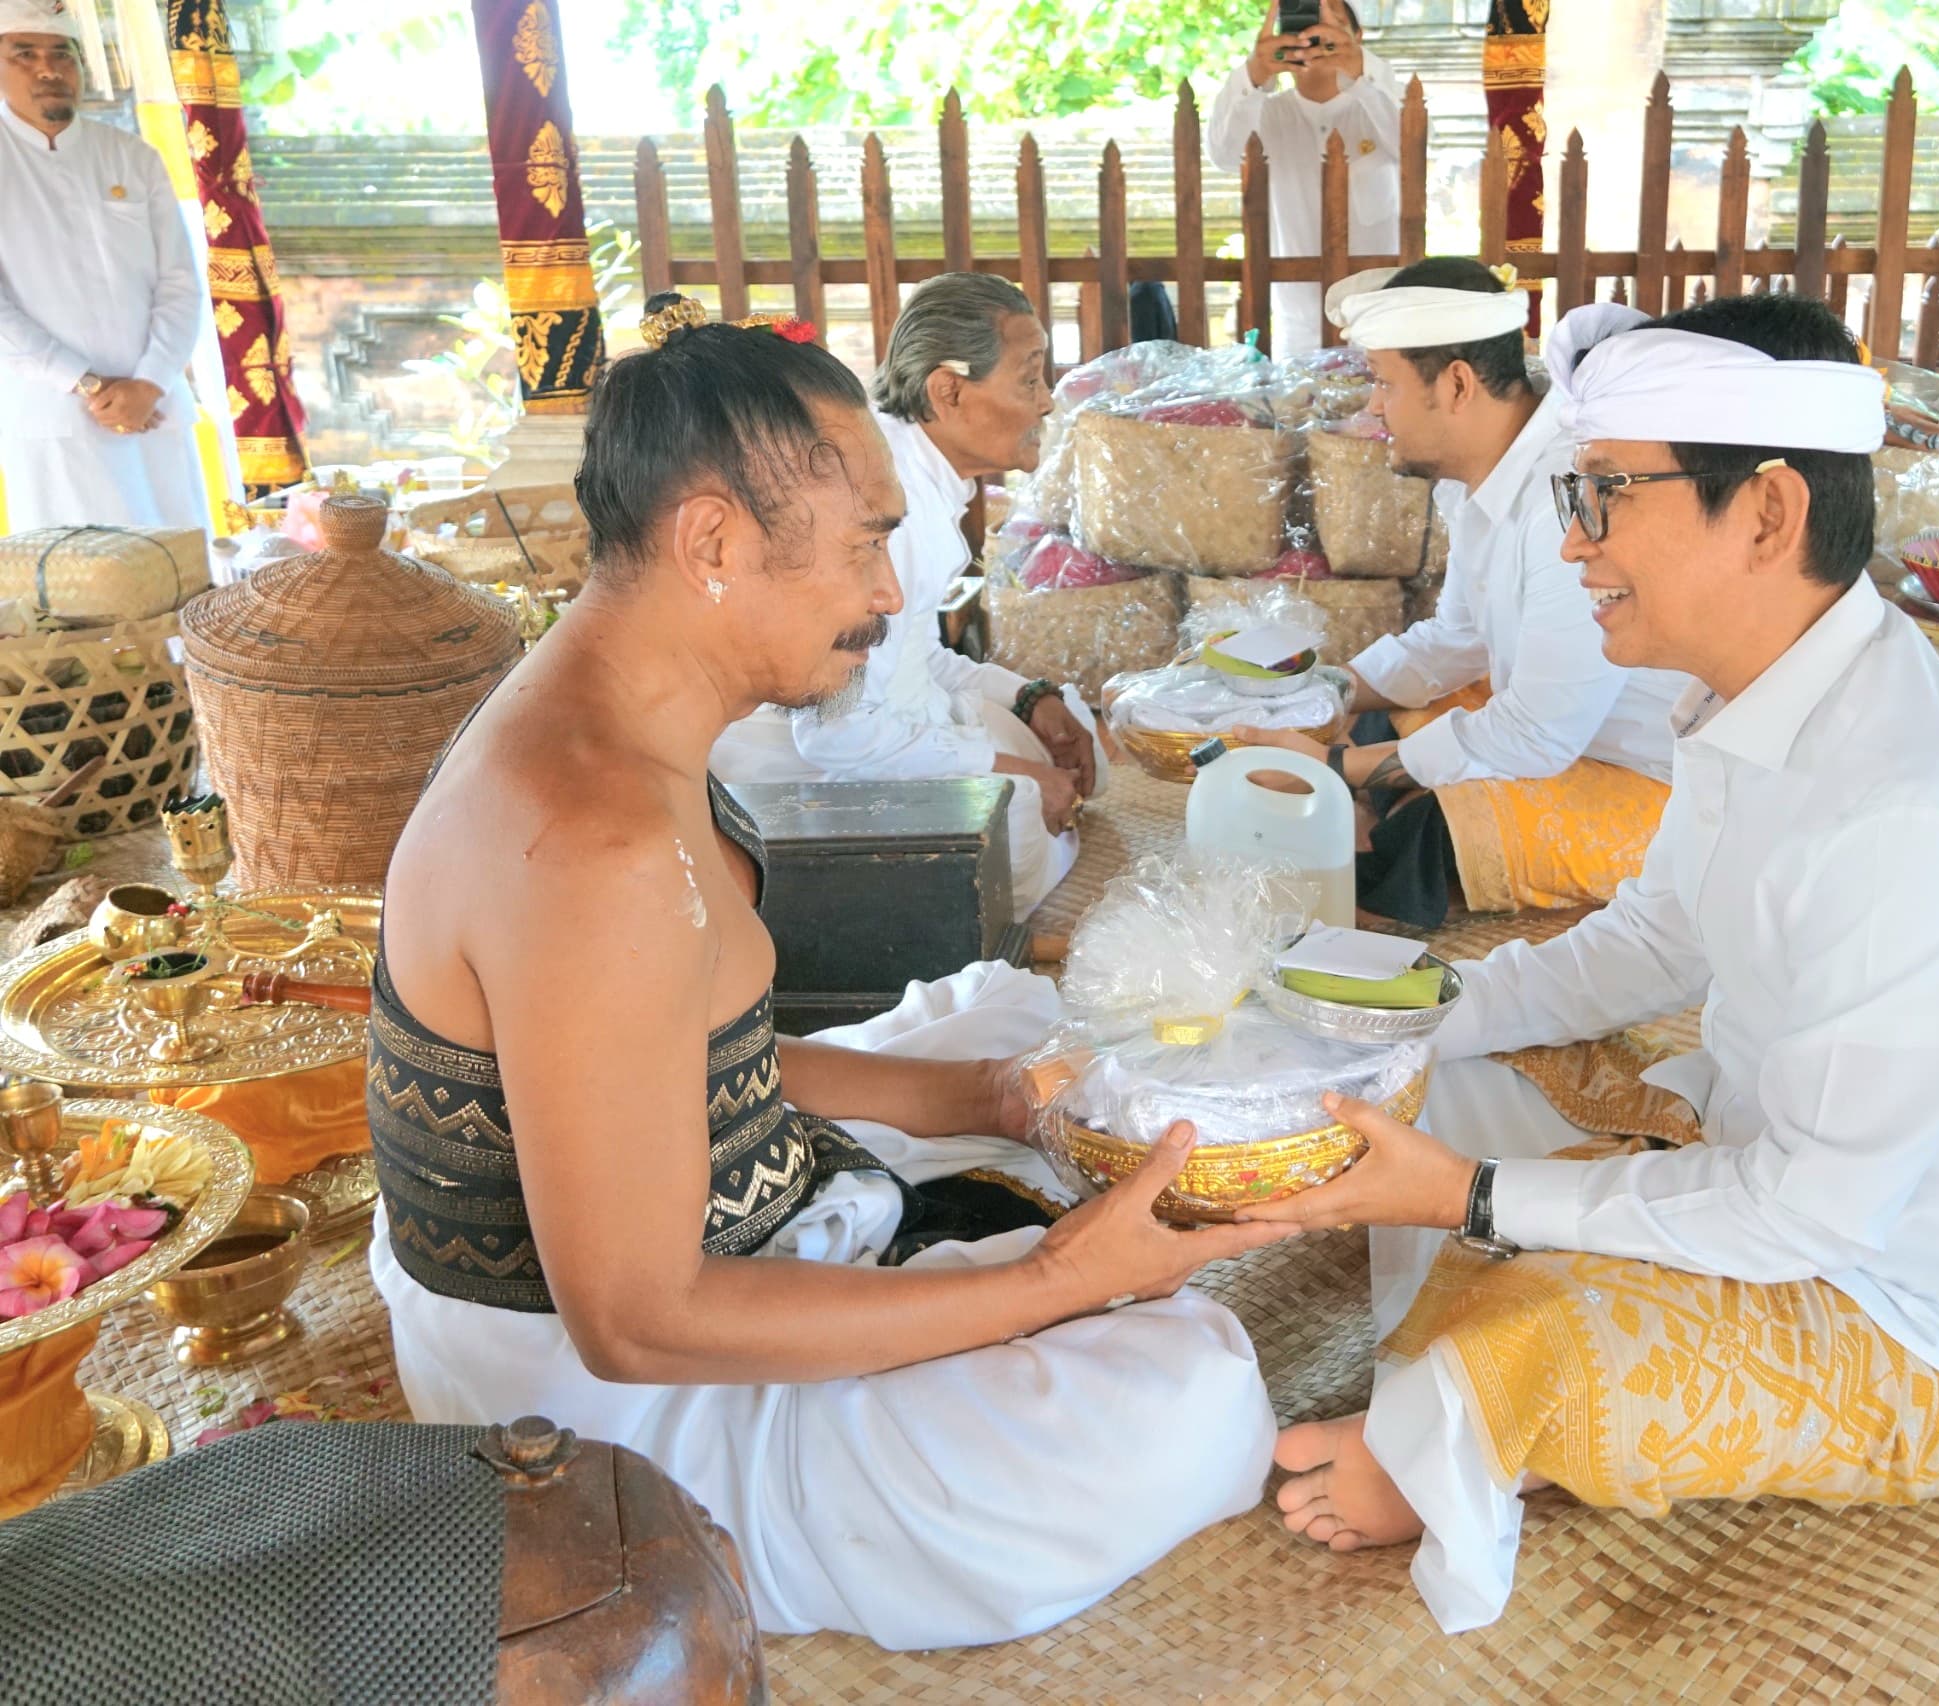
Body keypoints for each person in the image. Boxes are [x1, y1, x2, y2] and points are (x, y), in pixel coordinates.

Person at [369, 296, 1293, 1649]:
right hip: (603, 1412)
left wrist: (987, 1094)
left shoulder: (613, 722)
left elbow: (678, 1056)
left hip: (666, 1235)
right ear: (714, 542)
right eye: (865, 542)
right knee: (1196, 1387)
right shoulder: (590, 838)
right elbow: (635, 1319)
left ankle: (939, 1212)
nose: (883, 588)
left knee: (1021, 1015)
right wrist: (1057, 1283)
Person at [1227, 294, 1939, 1633]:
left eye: (1604, 496)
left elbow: (1804, 1220)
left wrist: (1474, 1197)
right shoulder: (1751, 694)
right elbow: (1652, 937)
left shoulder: (1915, 805)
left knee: (1524, 1317)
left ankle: (1435, 1445)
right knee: (1473, 1062)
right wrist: (1410, 1018)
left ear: (1767, 513)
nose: (1576, 544)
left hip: (1929, 1321)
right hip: (1795, 1167)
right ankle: (1461, 1294)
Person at [1233, 259, 1687, 928]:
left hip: (1651, 774)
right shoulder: (1471, 477)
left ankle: (1379, 852)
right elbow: (1457, 641)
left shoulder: (1567, 497)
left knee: (1433, 825)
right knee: (1399, 710)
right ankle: (1370, 805)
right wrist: (1317, 693)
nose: (1373, 409)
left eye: (1384, 384)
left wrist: (1336, 766)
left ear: (1456, 384)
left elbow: (1539, 734)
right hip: (1563, 731)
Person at [709, 273, 1105, 916]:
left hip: (880, 723)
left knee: (1067, 737)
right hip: (807, 762)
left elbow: (913, 653)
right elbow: (838, 735)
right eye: (1028, 378)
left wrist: (1028, 697)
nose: (1046, 403)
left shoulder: (923, 480)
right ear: (948, 391)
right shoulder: (895, 504)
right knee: (1031, 819)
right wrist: (1024, 773)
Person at [0, 1, 208, 533]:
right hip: (55, 416)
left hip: (154, 410)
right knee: (83, 594)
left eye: (61, 54)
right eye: (24, 54)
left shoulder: (132, 157)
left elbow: (180, 283)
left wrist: (150, 383)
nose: (48, 69)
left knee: (185, 574)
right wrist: (87, 383)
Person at [1206, 0, 1400, 358]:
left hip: (1383, 319)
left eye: (1331, 26)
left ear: (1357, 37)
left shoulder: (1379, 104)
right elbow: (1222, 154)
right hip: (1296, 324)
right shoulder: (1265, 113)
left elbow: (1417, 143)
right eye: (1301, 26)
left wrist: (1359, 68)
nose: (1313, 37)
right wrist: (1255, 74)